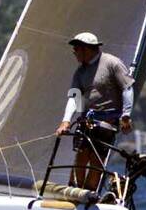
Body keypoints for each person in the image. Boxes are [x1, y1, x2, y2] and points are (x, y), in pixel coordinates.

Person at [54, 32, 134, 192]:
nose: (74, 52)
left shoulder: (112, 63)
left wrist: (126, 115)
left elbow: (127, 88)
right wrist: (66, 121)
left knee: (97, 160)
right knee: (81, 155)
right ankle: (76, 190)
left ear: (87, 49)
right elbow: (74, 97)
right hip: (87, 121)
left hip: (107, 122)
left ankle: (89, 191)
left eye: (76, 49)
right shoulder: (80, 72)